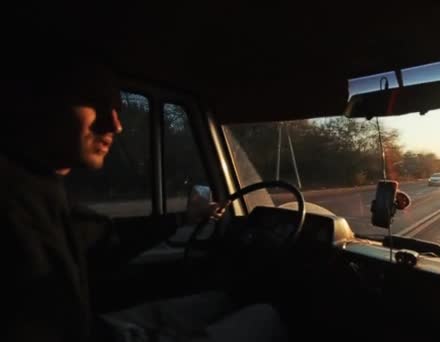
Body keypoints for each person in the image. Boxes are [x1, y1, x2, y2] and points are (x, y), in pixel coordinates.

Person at [1, 51, 286, 341]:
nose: (115, 125)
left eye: (116, 108)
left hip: (92, 326)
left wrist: (183, 218)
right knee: (265, 317)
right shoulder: (14, 200)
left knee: (223, 300)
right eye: (94, 102)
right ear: (36, 102)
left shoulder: (40, 188)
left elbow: (105, 241)